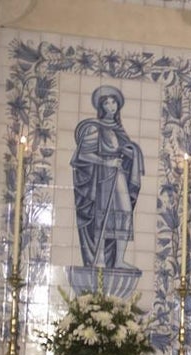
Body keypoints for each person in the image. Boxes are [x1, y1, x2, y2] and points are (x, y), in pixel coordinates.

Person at [72, 84, 145, 269]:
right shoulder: (94, 128)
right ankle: (100, 259)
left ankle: (119, 260)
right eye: (107, 103)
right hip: (102, 178)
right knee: (102, 214)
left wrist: (131, 152)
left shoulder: (118, 129)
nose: (111, 106)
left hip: (118, 176)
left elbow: (123, 151)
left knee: (124, 212)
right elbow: (83, 155)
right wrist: (106, 162)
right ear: (101, 106)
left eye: (114, 102)